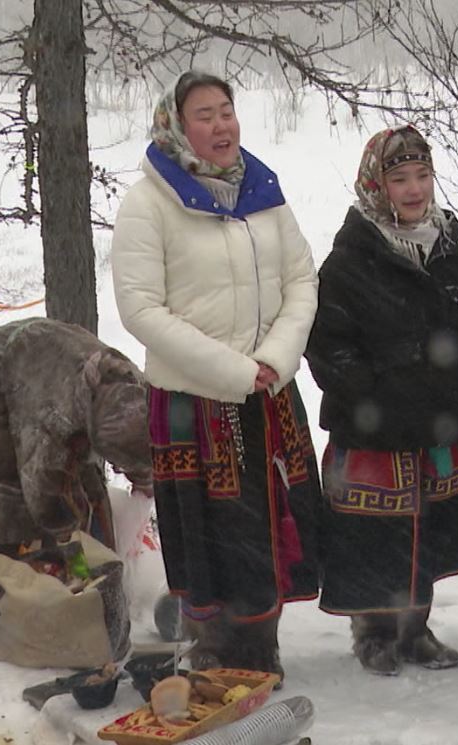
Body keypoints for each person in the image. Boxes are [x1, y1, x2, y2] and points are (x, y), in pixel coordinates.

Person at [111, 71, 321, 679]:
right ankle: (213, 648)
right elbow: (141, 309)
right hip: (194, 400)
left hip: (270, 393)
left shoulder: (263, 193)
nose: (221, 125)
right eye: (204, 115)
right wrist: (234, 371)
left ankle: (261, 645)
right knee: (207, 530)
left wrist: (274, 360)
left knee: (269, 522)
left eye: (226, 111)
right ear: (176, 125)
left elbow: (301, 280)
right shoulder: (149, 204)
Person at [304, 125, 458, 675]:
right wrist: (370, 392)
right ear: (375, 185)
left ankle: (416, 628)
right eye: (399, 178)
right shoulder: (351, 258)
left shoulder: (449, 246)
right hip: (376, 427)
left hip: (435, 419)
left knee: (425, 528)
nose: (414, 190)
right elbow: (328, 344)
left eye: (423, 176)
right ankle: (373, 631)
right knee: (374, 536)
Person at [0, 317, 153, 563]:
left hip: (39, 365)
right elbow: (45, 496)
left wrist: (145, 482)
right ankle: (40, 586)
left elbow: (138, 440)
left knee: (87, 491)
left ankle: (94, 569)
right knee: (17, 510)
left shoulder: (129, 384)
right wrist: (76, 558)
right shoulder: (52, 430)